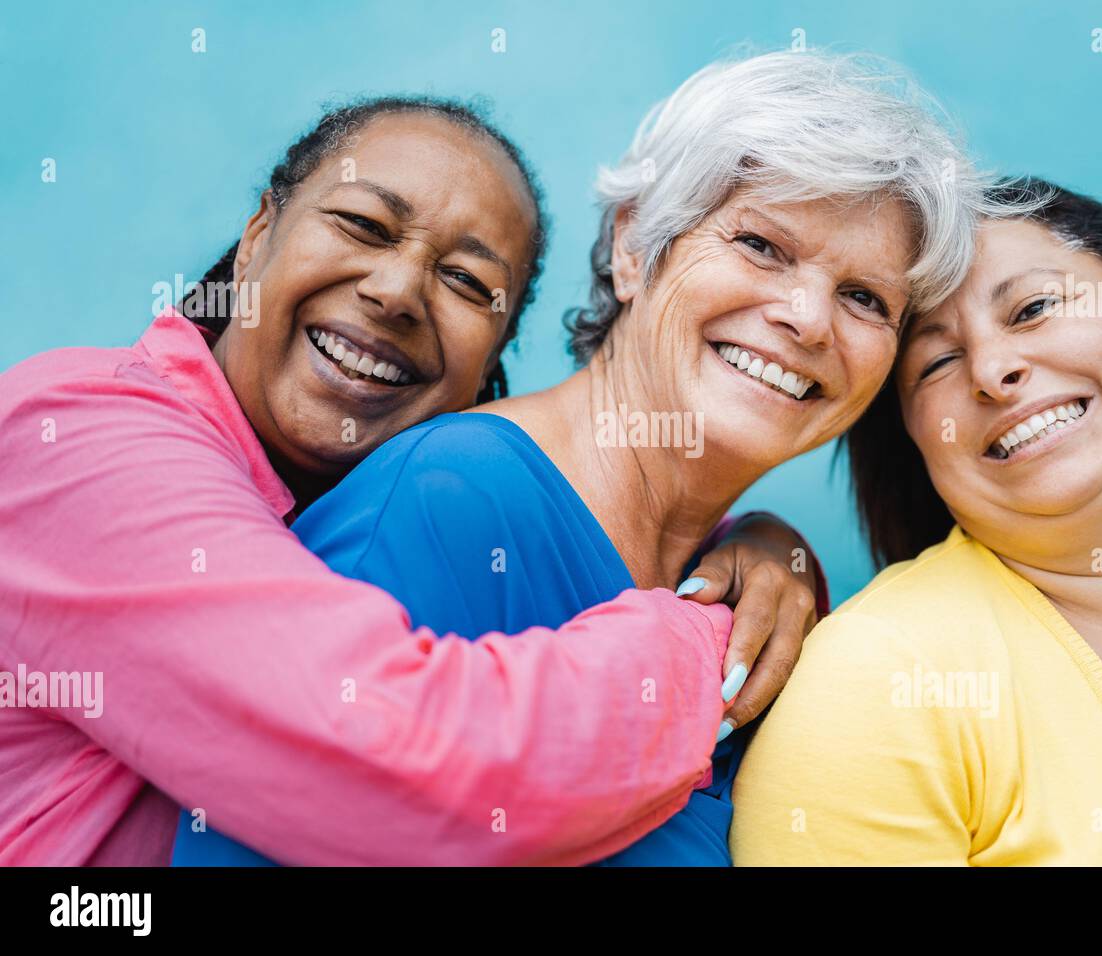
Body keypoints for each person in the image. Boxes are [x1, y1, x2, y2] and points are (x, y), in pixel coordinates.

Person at [174, 50, 997, 865]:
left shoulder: (754, 580)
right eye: (760, 245)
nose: (809, 318)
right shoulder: (452, 496)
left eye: (865, 297)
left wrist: (777, 548)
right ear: (636, 247)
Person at [0, 96, 820, 866]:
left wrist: (753, 550)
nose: (395, 293)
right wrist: (706, 640)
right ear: (258, 232)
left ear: (490, 364)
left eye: (467, 283)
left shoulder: (386, 506)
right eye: (362, 224)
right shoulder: (76, 431)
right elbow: (375, 755)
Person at [731, 178, 1102, 866]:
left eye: (1033, 308)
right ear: (912, 437)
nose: (994, 370)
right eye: (936, 360)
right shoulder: (879, 680)